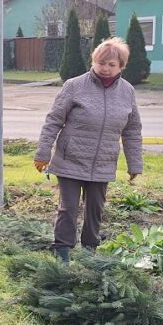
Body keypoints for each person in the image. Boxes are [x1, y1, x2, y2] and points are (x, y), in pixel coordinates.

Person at [33, 37, 143, 263]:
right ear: (93, 61)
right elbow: (54, 120)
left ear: (121, 67)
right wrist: (43, 153)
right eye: (101, 63)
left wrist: (135, 164)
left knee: (95, 209)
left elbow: (132, 130)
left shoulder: (127, 92)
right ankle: (62, 252)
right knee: (69, 208)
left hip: (103, 162)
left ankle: (89, 252)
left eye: (112, 65)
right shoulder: (74, 85)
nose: (105, 68)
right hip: (70, 160)